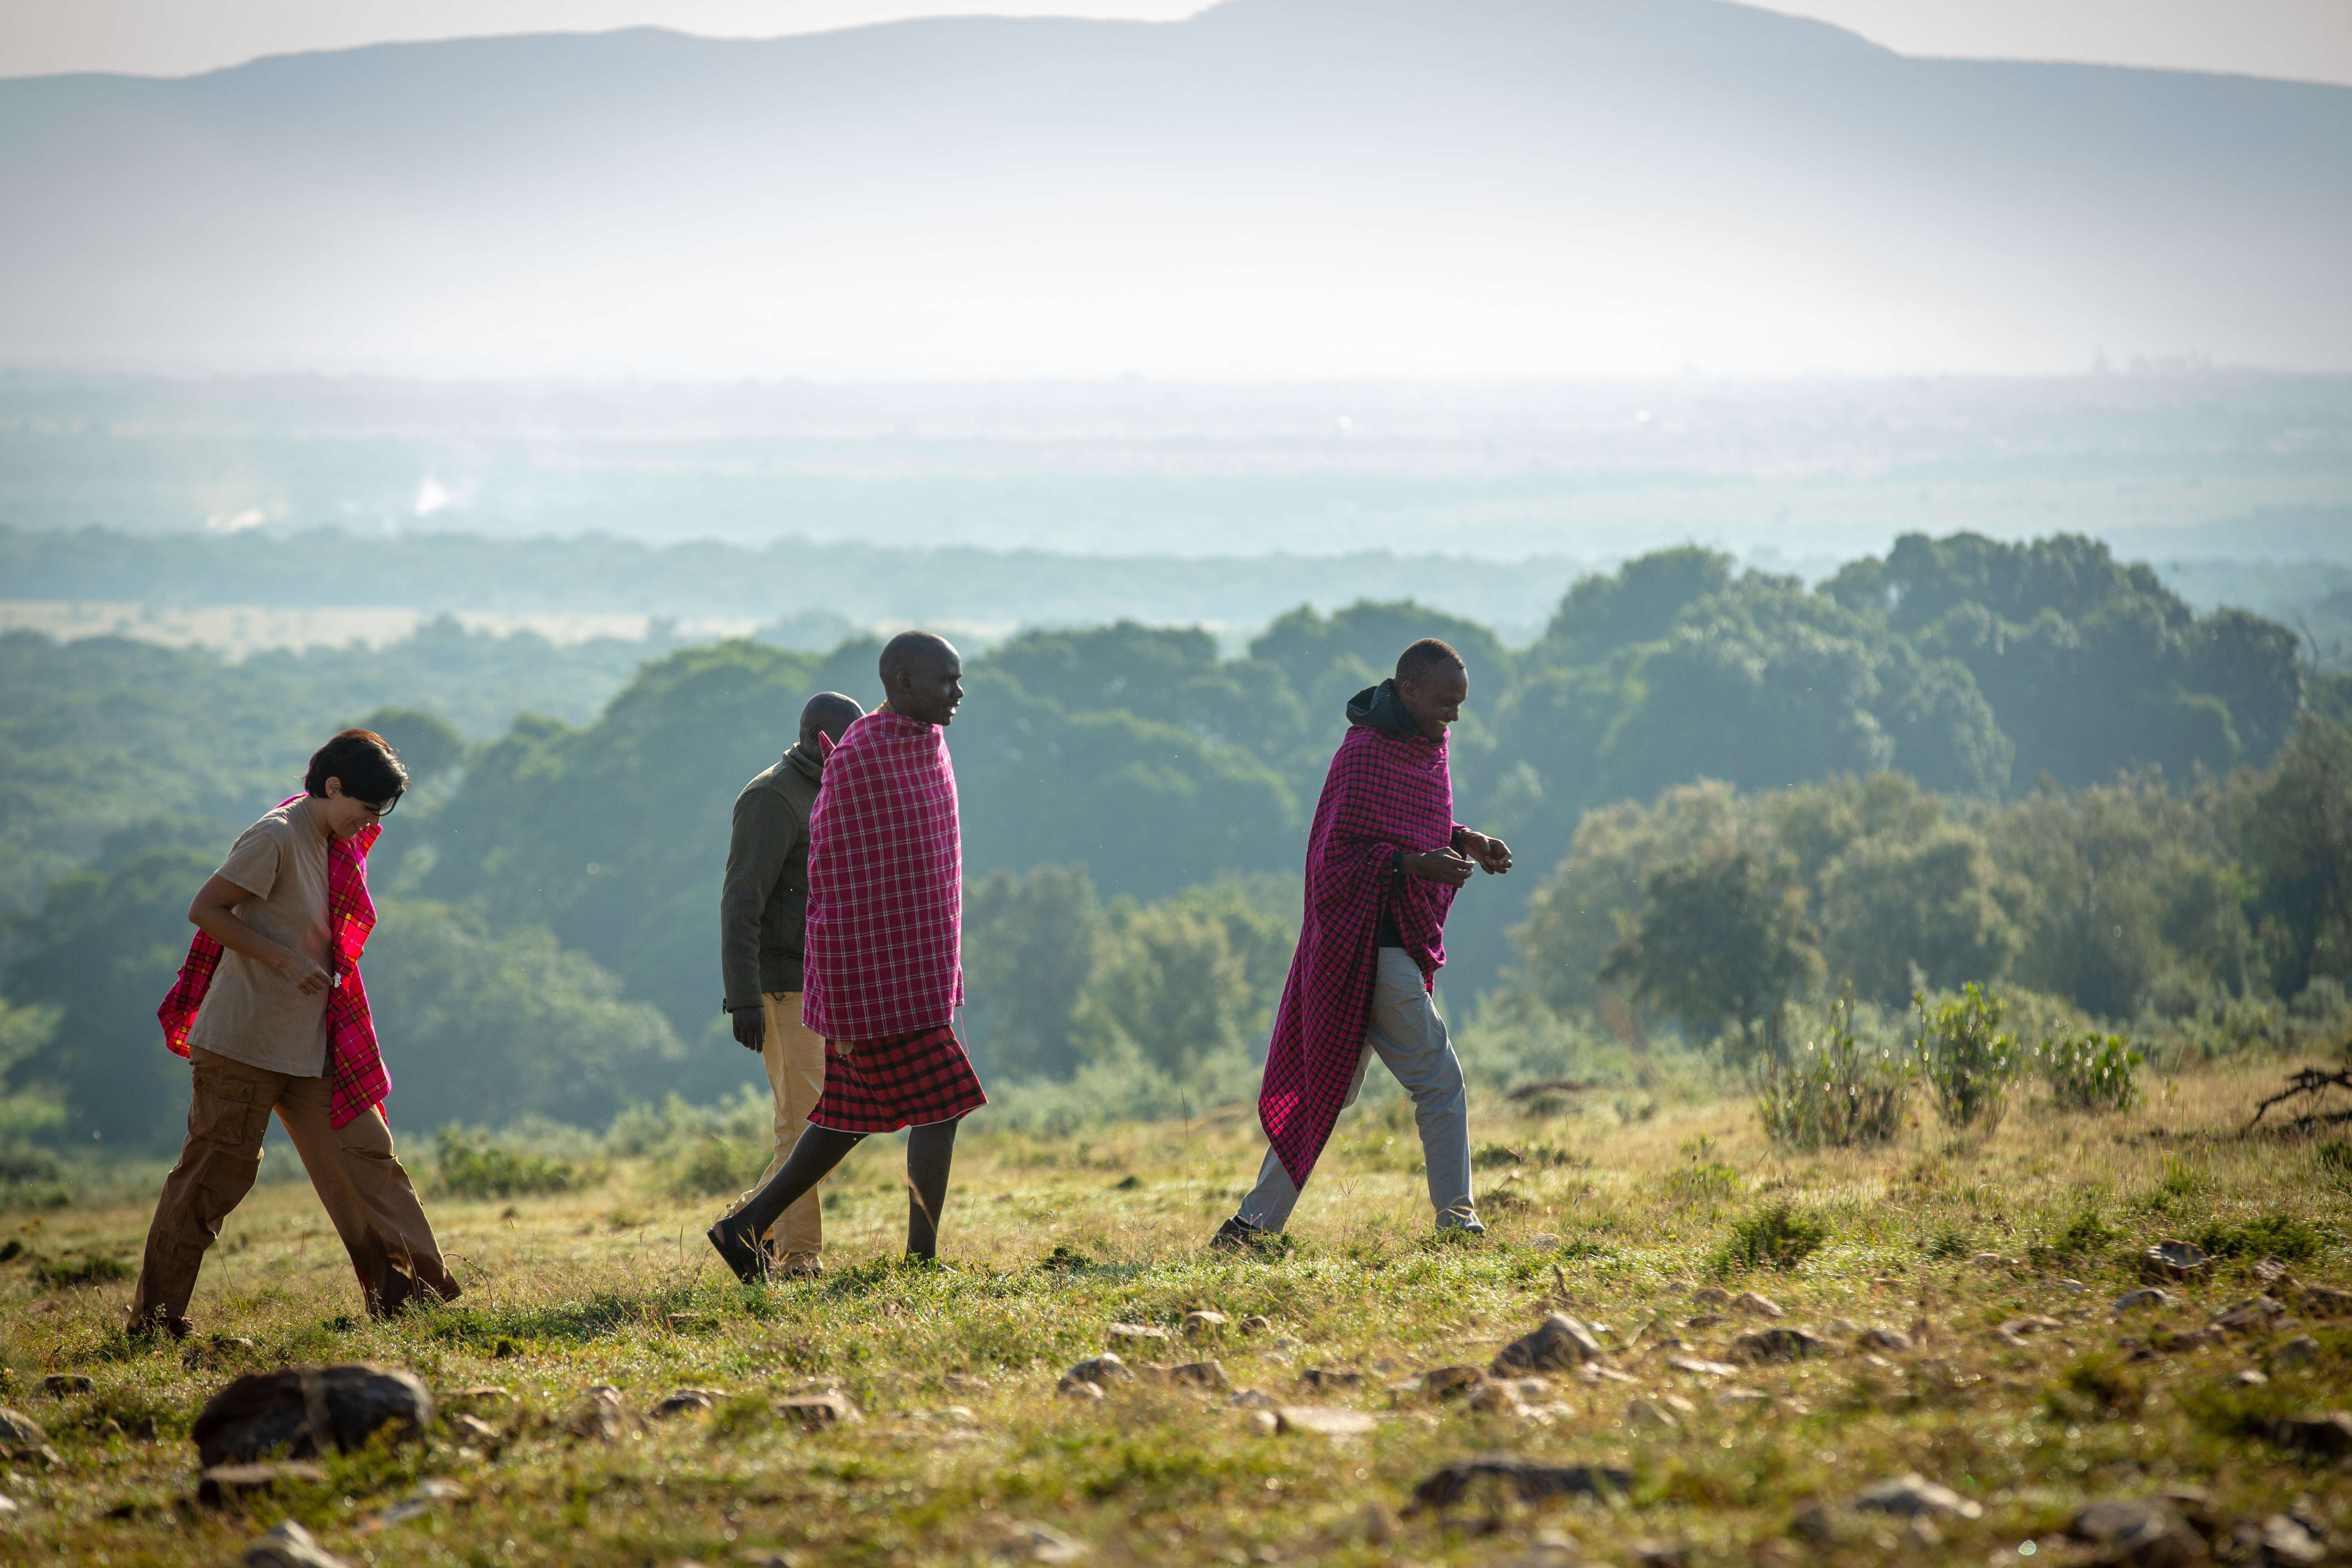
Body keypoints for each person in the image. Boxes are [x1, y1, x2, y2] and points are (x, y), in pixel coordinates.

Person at [129, 729, 457, 1337]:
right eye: (363, 809)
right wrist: (282, 960)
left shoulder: (333, 842)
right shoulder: (276, 836)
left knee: (368, 1158)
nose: (367, 824)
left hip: (311, 1047)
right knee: (211, 1180)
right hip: (243, 1043)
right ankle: (155, 1322)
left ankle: (412, 1300)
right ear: (333, 788)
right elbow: (206, 909)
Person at [1211, 638, 1512, 1249]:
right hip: (1368, 952)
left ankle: (1249, 1229)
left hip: (1383, 952)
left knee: (1321, 1097)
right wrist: (1413, 865)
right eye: (1444, 702)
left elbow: (1415, 825)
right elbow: (1334, 859)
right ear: (1407, 691)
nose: (1454, 716)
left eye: (1461, 704)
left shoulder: (1425, 748)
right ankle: (1458, 1222)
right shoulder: (1366, 753)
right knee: (1440, 1083)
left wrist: (1467, 839)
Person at [707, 631, 988, 1280]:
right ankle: (920, 1264)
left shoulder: (926, 746)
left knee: (840, 1121)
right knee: (941, 1109)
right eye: (946, 681)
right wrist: (772, 991)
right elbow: (836, 878)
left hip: (916, 972)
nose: (958, 692)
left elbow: (929, 867)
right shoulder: (857, 758)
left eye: (958, 678)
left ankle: (744, 1228)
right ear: (903, 682)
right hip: (874, 981)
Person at [715, 689, 865, 1277]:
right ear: (816, 738)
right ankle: (799, 1259)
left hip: (827, 982)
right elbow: (740, 902)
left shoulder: (833, 786)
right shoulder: (772, 797)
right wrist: (744, 997)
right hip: (782, 985)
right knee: (804, 1124)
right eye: (846, 743)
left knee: (830, 1124)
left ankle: (744, 1228)